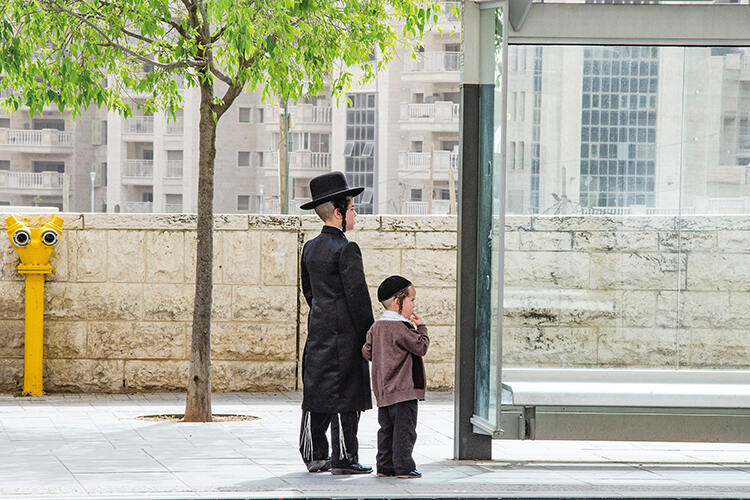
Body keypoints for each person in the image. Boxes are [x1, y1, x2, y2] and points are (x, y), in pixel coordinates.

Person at [298, 171, 374, 475]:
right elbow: (358, 298)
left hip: (318, 330)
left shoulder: (310, 247)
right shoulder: (347, 249)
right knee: (346, 392)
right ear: (339, 212)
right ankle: (344, 456)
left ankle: (314, 454)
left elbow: (309, 292)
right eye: (353, 208)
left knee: (317, 391)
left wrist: (322, 313)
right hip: (346, 335)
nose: (355, 214)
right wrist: (369, 333)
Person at [362, 275, 430, 479]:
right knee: (405, 431)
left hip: (384, 392)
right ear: (397, 302)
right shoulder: (401, 328)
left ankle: (384, 466)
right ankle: (404, 467)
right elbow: (421, 346)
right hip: (404, 391)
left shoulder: (376, 327)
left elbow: (366, 352)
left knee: (386, 430)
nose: (413, 305)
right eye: (411, 300)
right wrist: (422, 327)